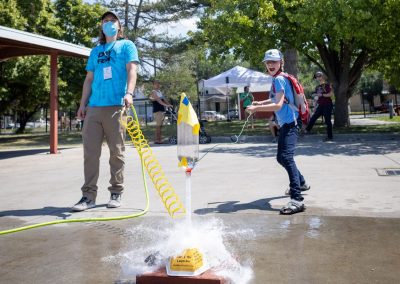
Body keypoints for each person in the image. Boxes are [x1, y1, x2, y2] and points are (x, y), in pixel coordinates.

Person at [72, 11, 139, 212]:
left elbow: (132, 70)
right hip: (93, 108)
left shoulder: (126, 46)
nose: (109, 23)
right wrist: (82, 104)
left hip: (116, 106)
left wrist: (129, 93)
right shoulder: (95, 51)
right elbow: (89, 80)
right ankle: (88, 196)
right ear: (101, 26)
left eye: (112, 21)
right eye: (105, 21)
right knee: (90, 154)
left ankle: (116, 192)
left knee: (116, 152)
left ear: (119, 26)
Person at [246, 49, 309, 215]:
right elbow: (275, 99)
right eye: (268, 62)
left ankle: (297, 200)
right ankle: (301, 182)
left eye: (274, 62)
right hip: (287, 123)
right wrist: (259, 104)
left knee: (286, 158)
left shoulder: (279, 79)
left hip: (291, 123)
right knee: (282, 157)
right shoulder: (277, 79)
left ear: (281, 62)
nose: (271, 65)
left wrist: (255, 109)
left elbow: (278, 105)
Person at [304, 71, 333, 141]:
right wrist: (315, 105)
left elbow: (330, 94)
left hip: (327, 105)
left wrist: (322, 95)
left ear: (323, 76)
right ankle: (307, 131)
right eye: (317, 77)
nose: (318, 78)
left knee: (327, 121)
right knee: (313, 118)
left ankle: (330, 136)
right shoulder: (317, 87)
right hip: (320, 105)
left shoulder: (327, 85)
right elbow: (317, 98)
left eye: (319, 76)